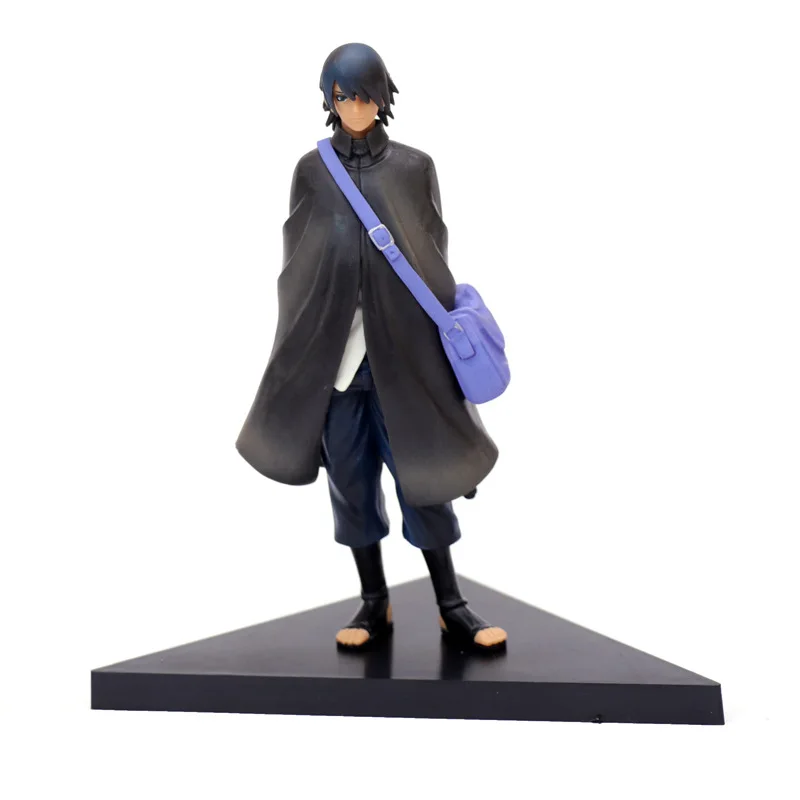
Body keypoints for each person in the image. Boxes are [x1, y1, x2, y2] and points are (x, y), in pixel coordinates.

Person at [236, 43, 506, 650]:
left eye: (364, 96)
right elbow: (296, 263)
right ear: (329, 101)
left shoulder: (413, 167)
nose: (355, 108)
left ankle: (451, 603)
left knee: (425, 484)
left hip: (402, 361)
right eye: (343, 97)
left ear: (383, 97)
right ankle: (373, 602)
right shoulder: (312, 170)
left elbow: (431, 258)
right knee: (351, 488)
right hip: (337, 366)